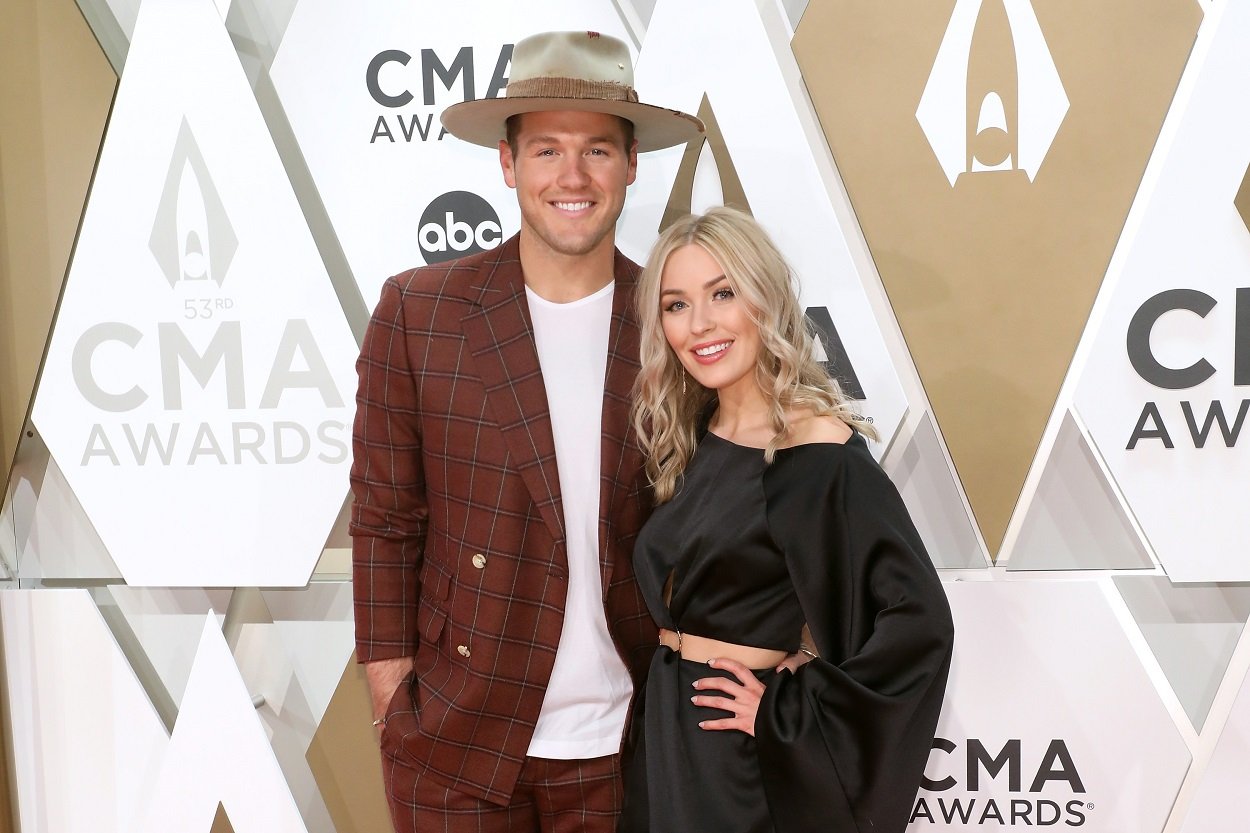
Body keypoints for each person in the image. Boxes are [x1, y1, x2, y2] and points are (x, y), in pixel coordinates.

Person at [349, 30, 704, 833]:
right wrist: (388, 684)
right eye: (546, 150)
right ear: (507, 165)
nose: (571, 178)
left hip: (626, 742)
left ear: (632, 164)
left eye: (597, 152)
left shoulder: (672, 321)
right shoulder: (421, 311)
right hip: (455, 743)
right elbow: (384, 513)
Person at [619, 207, 955, 833]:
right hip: (664, 739)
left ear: (765, 300)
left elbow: (918, 623)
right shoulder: (693, 436)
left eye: (723, 293)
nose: (700, 325)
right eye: (675, 305)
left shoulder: (819, 454)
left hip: (737, 759)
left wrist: (790, 705)